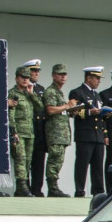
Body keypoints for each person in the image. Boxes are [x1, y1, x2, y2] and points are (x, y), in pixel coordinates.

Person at [68, 66, 107, 197]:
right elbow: (74, 111)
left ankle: (98, 191)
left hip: (98, 135)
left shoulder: (97, 94)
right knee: (82, 164)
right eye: (96, 78)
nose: (99, 81)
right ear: (88, 78)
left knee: (98, 166)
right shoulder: (77, 92)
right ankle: (80, 190)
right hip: (85, 134)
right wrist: (90, 112)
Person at [42, 63, 74, 197]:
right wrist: (67, 106)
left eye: (64, 74)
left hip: (62, 134)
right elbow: (50, 109)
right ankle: (52, 187)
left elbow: (60, 110)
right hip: (55, 133)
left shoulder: (59, 92)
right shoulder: (50, 91)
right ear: (53, 75)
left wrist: (71, 110)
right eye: (60, 74)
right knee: (54, 159)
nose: (63, 76)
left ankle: (54, 186)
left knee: (58, 160)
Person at [7, 66, 39, 196]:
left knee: (28, 161)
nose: (26, 80)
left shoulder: (28, 94)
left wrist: (32, 94)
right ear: (16, 78)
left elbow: (40, 107)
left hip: (29, 132)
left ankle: (23, 187)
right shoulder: (13, 93)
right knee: (20, 159)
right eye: (23, 77)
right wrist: (13, 132)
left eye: (28, 78)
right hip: (19, 131)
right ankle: (21, 185)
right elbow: (11, 114)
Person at [23, 59, 48, 196]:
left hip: (39, 130)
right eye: (33, 70)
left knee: (39, 162)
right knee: (25, 161)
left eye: (38, 70)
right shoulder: (21, 89)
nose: (36, 73)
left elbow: (43, 109)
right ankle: (25, 188)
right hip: (27, 129)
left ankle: (37, 189)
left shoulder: (41, 90)